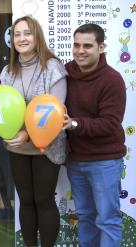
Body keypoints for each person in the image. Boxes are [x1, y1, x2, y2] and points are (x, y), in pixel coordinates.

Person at [0, 15, 67, 247]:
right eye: (17, 34)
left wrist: (27, 134)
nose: (22, 38)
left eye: (27, 33)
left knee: (43, 199)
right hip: (17, 148)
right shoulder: (8, 72)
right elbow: (3, 108)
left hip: (46, 147)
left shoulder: (53, 67)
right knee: (25, 201)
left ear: (37, 36)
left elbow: (54, 110)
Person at [63, 23, 126, 247]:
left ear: (101, 47)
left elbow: (110, 124)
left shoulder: (112, 79)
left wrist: (74, 124)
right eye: (76, 45)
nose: (80, 50)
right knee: (86, 217)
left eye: (87, 46)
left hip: (105, 162)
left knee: (107, 220)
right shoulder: (65, 73)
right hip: (76, 160)